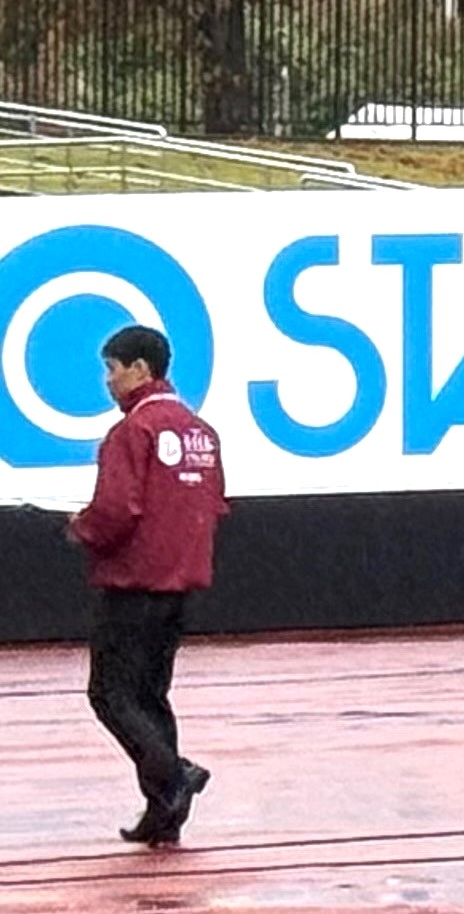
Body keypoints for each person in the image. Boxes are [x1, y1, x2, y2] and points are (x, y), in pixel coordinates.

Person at [69, 323, 226, 848]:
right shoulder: (199, 431)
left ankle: (174, 775)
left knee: (110, 694)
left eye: (111, 370)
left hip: (134, 581)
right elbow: (213, 503)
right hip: (180, 580)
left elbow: (117, 511)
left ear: (140, 369)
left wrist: (82, 529)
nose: (107, 382)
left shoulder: (130, 433)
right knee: (151, 696)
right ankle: (164, 815)